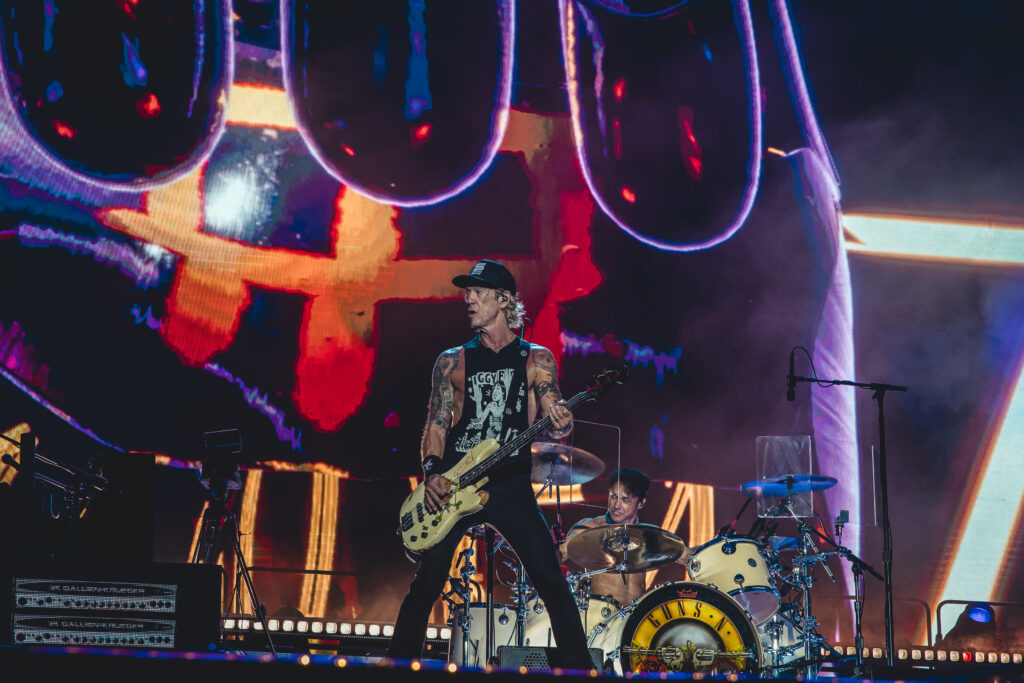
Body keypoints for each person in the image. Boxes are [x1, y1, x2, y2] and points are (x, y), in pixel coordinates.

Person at [388, 259, 596, 670]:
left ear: (503, 299)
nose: (468, 299)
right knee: (427, 583)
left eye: (478, 292)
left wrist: (561, 421)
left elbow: (553, 408)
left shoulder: (536, 358)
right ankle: (395, 669)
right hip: (455, 483)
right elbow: (437, 422)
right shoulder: (452, 361)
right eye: (467, 292)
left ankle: (580, 671)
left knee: (551, 581)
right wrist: (431, 473)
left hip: (510, 483)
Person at [560, 468, 690, 608]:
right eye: (613, 496)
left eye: (625, 500)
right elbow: (560, 554)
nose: (616, 505)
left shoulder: (649, 534)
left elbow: (688, 557)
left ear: (641, 503)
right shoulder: (589, 528)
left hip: (635, 616)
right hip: (600, 616)